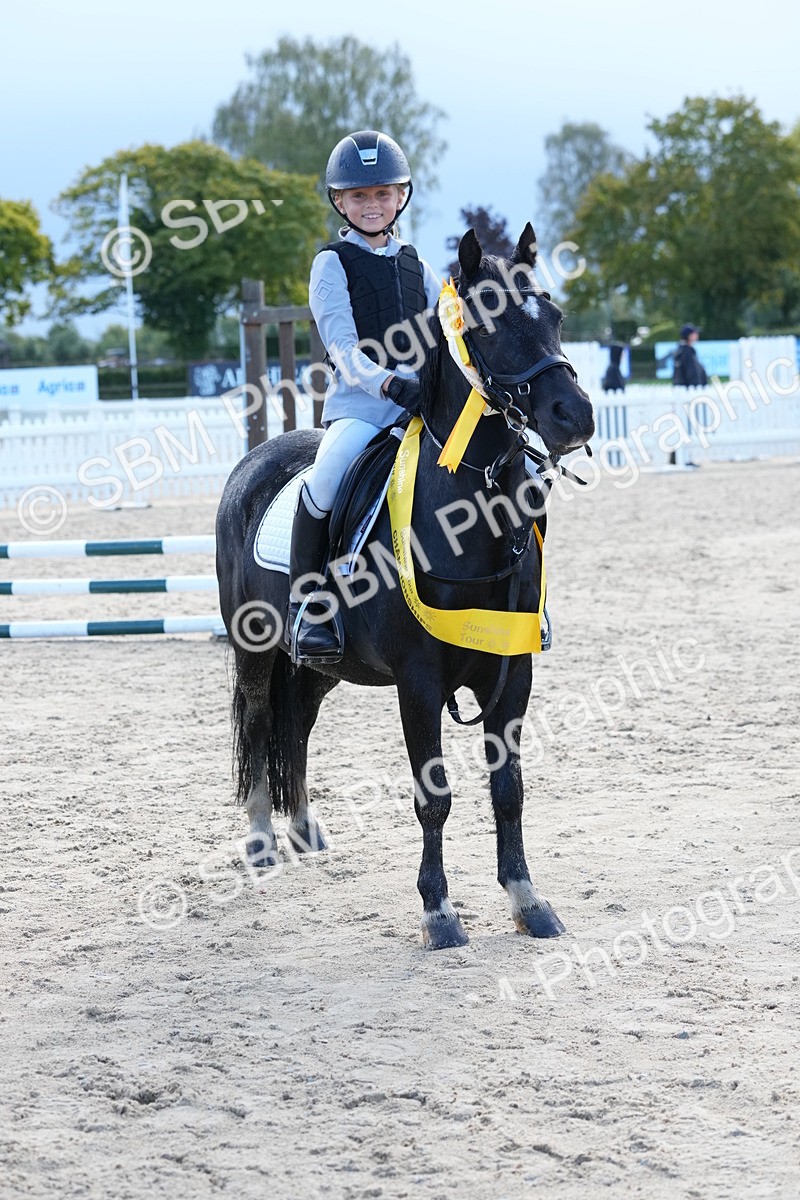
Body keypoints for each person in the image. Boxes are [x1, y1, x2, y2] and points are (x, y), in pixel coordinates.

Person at [288, 130, 441, 662]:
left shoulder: (420, 266)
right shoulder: (331, 262)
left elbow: (448, 331)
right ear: (340, 201)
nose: (371, 205)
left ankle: (515, 598)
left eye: (381, 193)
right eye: (359, 196)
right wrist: (388, 382)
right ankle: (310, 604)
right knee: (326, 476)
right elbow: (343, 347)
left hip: (423, 405)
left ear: (401, 195)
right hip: (363, 406)